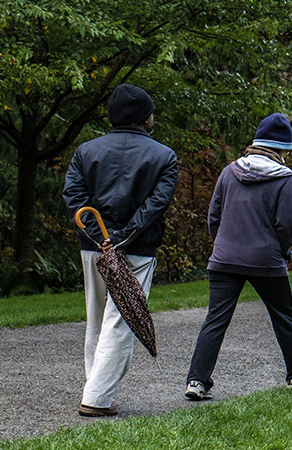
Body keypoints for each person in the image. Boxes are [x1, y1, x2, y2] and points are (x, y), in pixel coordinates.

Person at [185, 113, 292, 400]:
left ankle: (197, 381)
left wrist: (222, 244)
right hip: (266, 259)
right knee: (284, 317)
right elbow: (287, 224)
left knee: (216, 319)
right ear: (282, 149)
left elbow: (214, 216)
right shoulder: (285, 179)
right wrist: (284, 251)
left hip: (224, 259)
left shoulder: (228, 172)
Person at [63, 83, 178, 416]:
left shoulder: (86, 151)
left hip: (93, 247)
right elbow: (157, 204)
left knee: (96, 320)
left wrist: (103, 238)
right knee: (121, 321)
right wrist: (124, 237)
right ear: (144, 117)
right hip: (138, 249)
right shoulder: (164, 156)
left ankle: (96, 387)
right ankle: (96, 398)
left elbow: (74, 197)